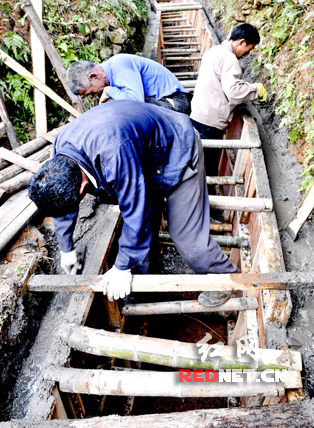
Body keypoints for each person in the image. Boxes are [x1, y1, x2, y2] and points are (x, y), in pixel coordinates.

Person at [28, 101, 239, 307]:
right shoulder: (60, 156)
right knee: (141, 233)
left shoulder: (114, 153)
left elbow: (136, 209)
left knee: (186, 237)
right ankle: (141, 288)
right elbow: (62, 205)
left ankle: (225, 278)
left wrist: (121, 266)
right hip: (145, 157)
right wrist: (66, 248)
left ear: (82, 189)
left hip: (178, 149)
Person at [190, 23, 267, 180]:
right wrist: (255, 89)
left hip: (197, 116)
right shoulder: (229, 59)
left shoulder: (214, 51)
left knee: (196, 165)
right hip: (210, 124)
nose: (247, 53)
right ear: (242, 42)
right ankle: (207, 203)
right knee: (207, 170)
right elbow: (233, 92)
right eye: (249, 48)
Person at [66, 53, 191, 114]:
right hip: (160, 103)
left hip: (177, 102)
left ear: (93, 76)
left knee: (115, 105)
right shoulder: (105, 81)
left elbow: (135, 102)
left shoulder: (119, 65)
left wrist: (110, 91)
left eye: (91, 93)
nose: (94, 96)